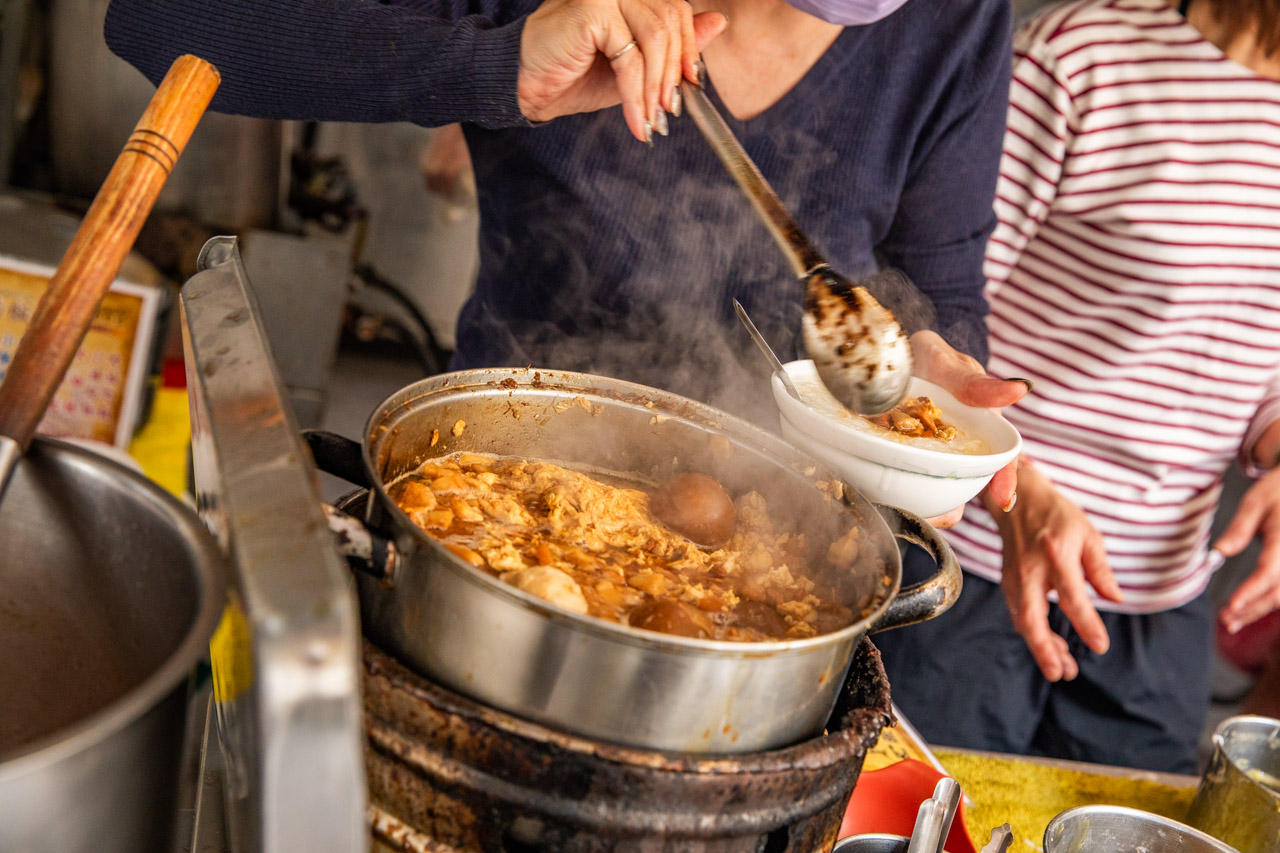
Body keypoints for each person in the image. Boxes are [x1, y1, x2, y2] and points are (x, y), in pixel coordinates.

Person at [874, 0, 1280, 775]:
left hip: (1163, 596)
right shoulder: (1081, 60)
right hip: (975, 561)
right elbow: (935, 318)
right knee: (915, 811)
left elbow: (1260, 342)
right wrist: (1013, 486)